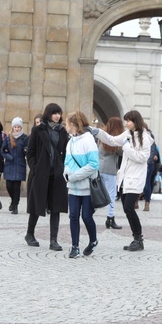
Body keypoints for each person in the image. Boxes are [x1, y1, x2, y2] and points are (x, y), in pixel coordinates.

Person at [92, 110, 151, 252]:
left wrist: (125, 147)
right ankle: (136, 238)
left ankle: (138, 239)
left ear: (135, 121)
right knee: (126, 208)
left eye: (128, 121)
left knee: (129, 207)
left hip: (136, 178)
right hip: (125, 178)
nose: (126, 123)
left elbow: (142, 158)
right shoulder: (128, 134)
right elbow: (112, 140)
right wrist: (97, 132)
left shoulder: (145, 137)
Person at [25, 103, 69, 251]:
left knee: (56, 207)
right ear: (48, 114)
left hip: (57, 175)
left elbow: (66, 152)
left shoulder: (63, 132)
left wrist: (62, 168)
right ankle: (29, 234)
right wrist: (36, 168)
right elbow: (29, 153)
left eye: (59, 113)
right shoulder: (38, 130)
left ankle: (53, 240)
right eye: (54, 113)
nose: (57, 116)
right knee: (37, 206)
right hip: (40, 174)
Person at [63, 111, 100, 259]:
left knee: (86, 216)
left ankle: (93, 240)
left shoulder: (88, 140)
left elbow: (94, 164)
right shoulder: (70, 141)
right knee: (73, 216)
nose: (65, 126)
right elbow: (66, 162)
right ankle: (75, 246)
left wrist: (75, 176)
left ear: (73, 125)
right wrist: (66, 174)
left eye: (66, 123)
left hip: (87, 187)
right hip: (72, 186)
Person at [98, 117, 124, 230]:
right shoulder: (115, 141)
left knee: (98, 194)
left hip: (100, 168)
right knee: (111, 195)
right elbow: (122, 152)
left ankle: (87, 213)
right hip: (110, 170)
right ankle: (110, 218)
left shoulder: (103, 137)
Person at [1, 117, 28, 214]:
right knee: (9, 186)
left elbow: (27, 149)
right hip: (9, 164)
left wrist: (26, 150)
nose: (17, 129)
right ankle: (13, 200)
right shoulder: (8, 138)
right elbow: (3, 150)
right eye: (15, 127)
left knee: (16, 187)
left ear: (21, 128)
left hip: (20, 165)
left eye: (18, 127)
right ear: (12, 127)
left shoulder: (25, 138)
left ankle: (15, 205)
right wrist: (8, 156)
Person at [141, 132, 161, 212]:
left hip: (149, 165)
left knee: (147, 184)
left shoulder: (152, 143)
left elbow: (154, 153)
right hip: (141, 163)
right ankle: (136, 201)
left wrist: (148, 162)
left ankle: (147, 202)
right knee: (140, 183)